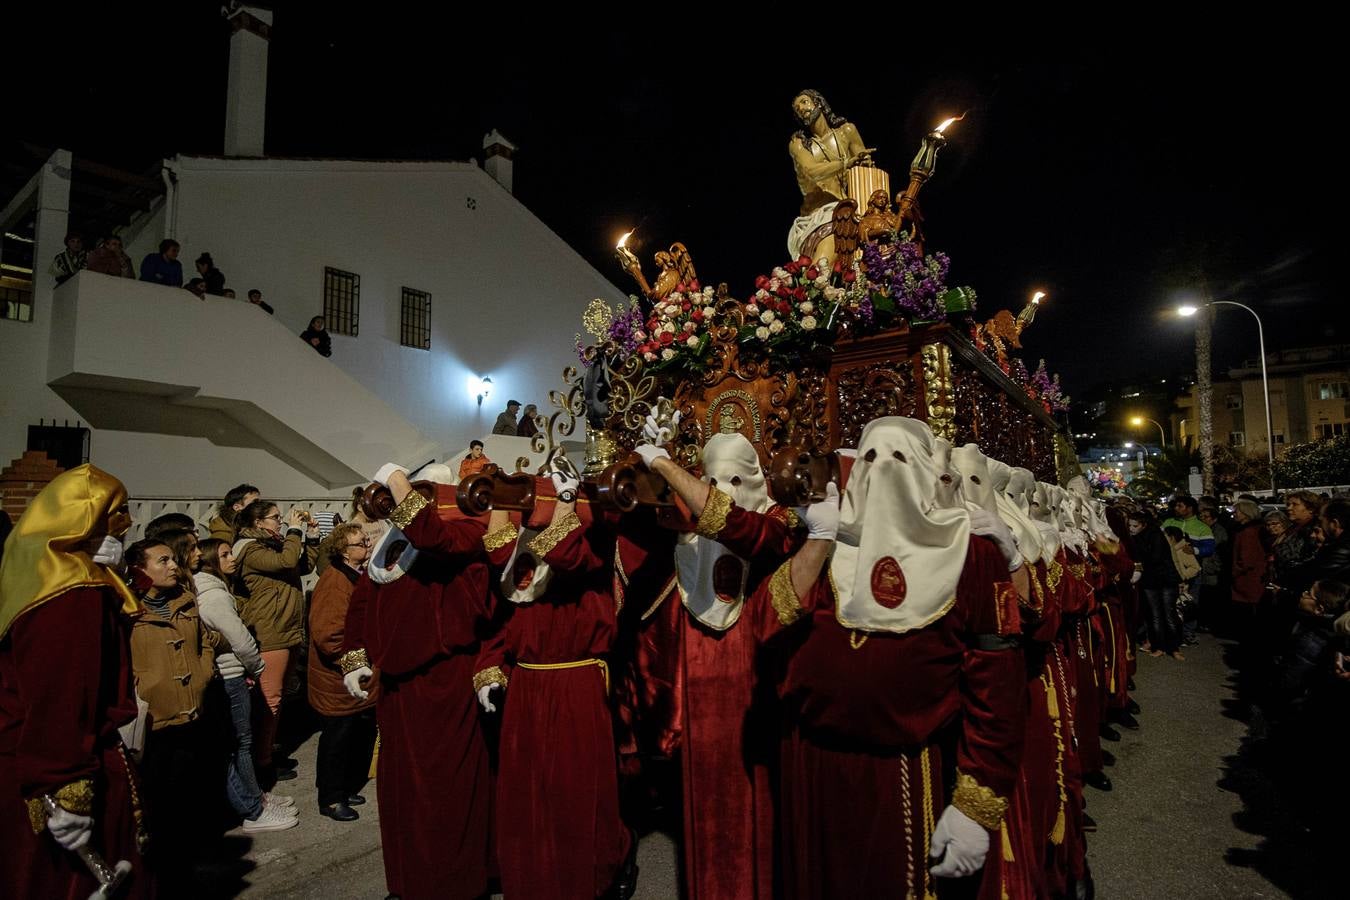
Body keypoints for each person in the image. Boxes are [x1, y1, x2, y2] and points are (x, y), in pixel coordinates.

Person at [638, 429, 805, 900]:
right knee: (707, 801)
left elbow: (739, 526)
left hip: (760, 692)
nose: (724, 491)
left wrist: (669, 469)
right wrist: (656, 465)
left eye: (734, 478)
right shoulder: (686, 535)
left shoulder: (779, 520)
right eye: (711, 479)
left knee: (764, 802)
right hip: (703, 699)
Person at [468, 462, 638, 900]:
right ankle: (531, 878)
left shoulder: (596, 533)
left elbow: (566, 554)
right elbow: (501, 576)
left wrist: (567, 498)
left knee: (575, 791)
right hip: (527, 683)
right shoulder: (524, 550)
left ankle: (589, 876)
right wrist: (491, 667)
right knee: (529, 791)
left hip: (576, 682)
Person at [346, 464, 504, 900]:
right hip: (396, 689)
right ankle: (409, 882)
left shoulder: (464, 531)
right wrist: (355, 658)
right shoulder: (392, 544)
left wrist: (397, 479)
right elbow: (363, 602)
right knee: (402, 795)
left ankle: (455, 886)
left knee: (447, 794)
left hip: (443, 683)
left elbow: (434, 536)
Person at [0, 465, 154, 899]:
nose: (126, 524)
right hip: (65, 765)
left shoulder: (34, 575)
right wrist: (64, 786)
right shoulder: (74, 592)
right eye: (117, 512)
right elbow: (62, 697)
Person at [124, 537, 220, 891]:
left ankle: (185, 869)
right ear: (140, 570)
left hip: (193, 714)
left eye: (171, 559)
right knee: (158, 805)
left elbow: (205, 641)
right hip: (155, 723)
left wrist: (204, 669)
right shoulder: (127, 610)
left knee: (188, 799)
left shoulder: (185, 600)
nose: (173, 566)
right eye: (162, 561)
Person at [193, 539, 297, 833]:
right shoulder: (214, 595)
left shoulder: (215, 589)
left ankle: (257, 797)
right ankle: (253, 808)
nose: (232, 559)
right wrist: (255, 665)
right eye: (225, 555)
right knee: (241, 743)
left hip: (231, 671)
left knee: (242, 742)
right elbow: (239, 638)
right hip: (230, 674)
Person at [233, 500, 320, 784]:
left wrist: (313, 536)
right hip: (270, 631)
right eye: (275, 518)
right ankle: (262, 763)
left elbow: (302, 566)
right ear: (258, 523)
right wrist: (295, 530)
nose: (280, 522)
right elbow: (286, 561)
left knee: (278, 697)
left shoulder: (275, 544)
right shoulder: (250, 548)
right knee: (269, 699)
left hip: (286, 628)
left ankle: (268, 750)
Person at [308, 524, 377, 822]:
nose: (367, 545)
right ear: (344, 552)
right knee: (336, 740)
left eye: (366, 541)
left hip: (352, 681)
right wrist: (357, 667)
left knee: (352, 737)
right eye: (361, 544)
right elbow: (329, 636)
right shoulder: (335, 583)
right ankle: (331, 798)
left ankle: (346, 787)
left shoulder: (355, 576)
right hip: (337, 682)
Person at [1128, 509, 1184, 659]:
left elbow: (1156, 558)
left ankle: (1174, 647)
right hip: (1149, 581)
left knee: (1169, 613)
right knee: (1155, 615)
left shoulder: (1156, 536)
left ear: (1143, 525)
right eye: (1130, 526)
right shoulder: (1134, 539)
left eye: (1135, 526)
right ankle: (1158, 645)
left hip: (1165, 579)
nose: (1131, 529)